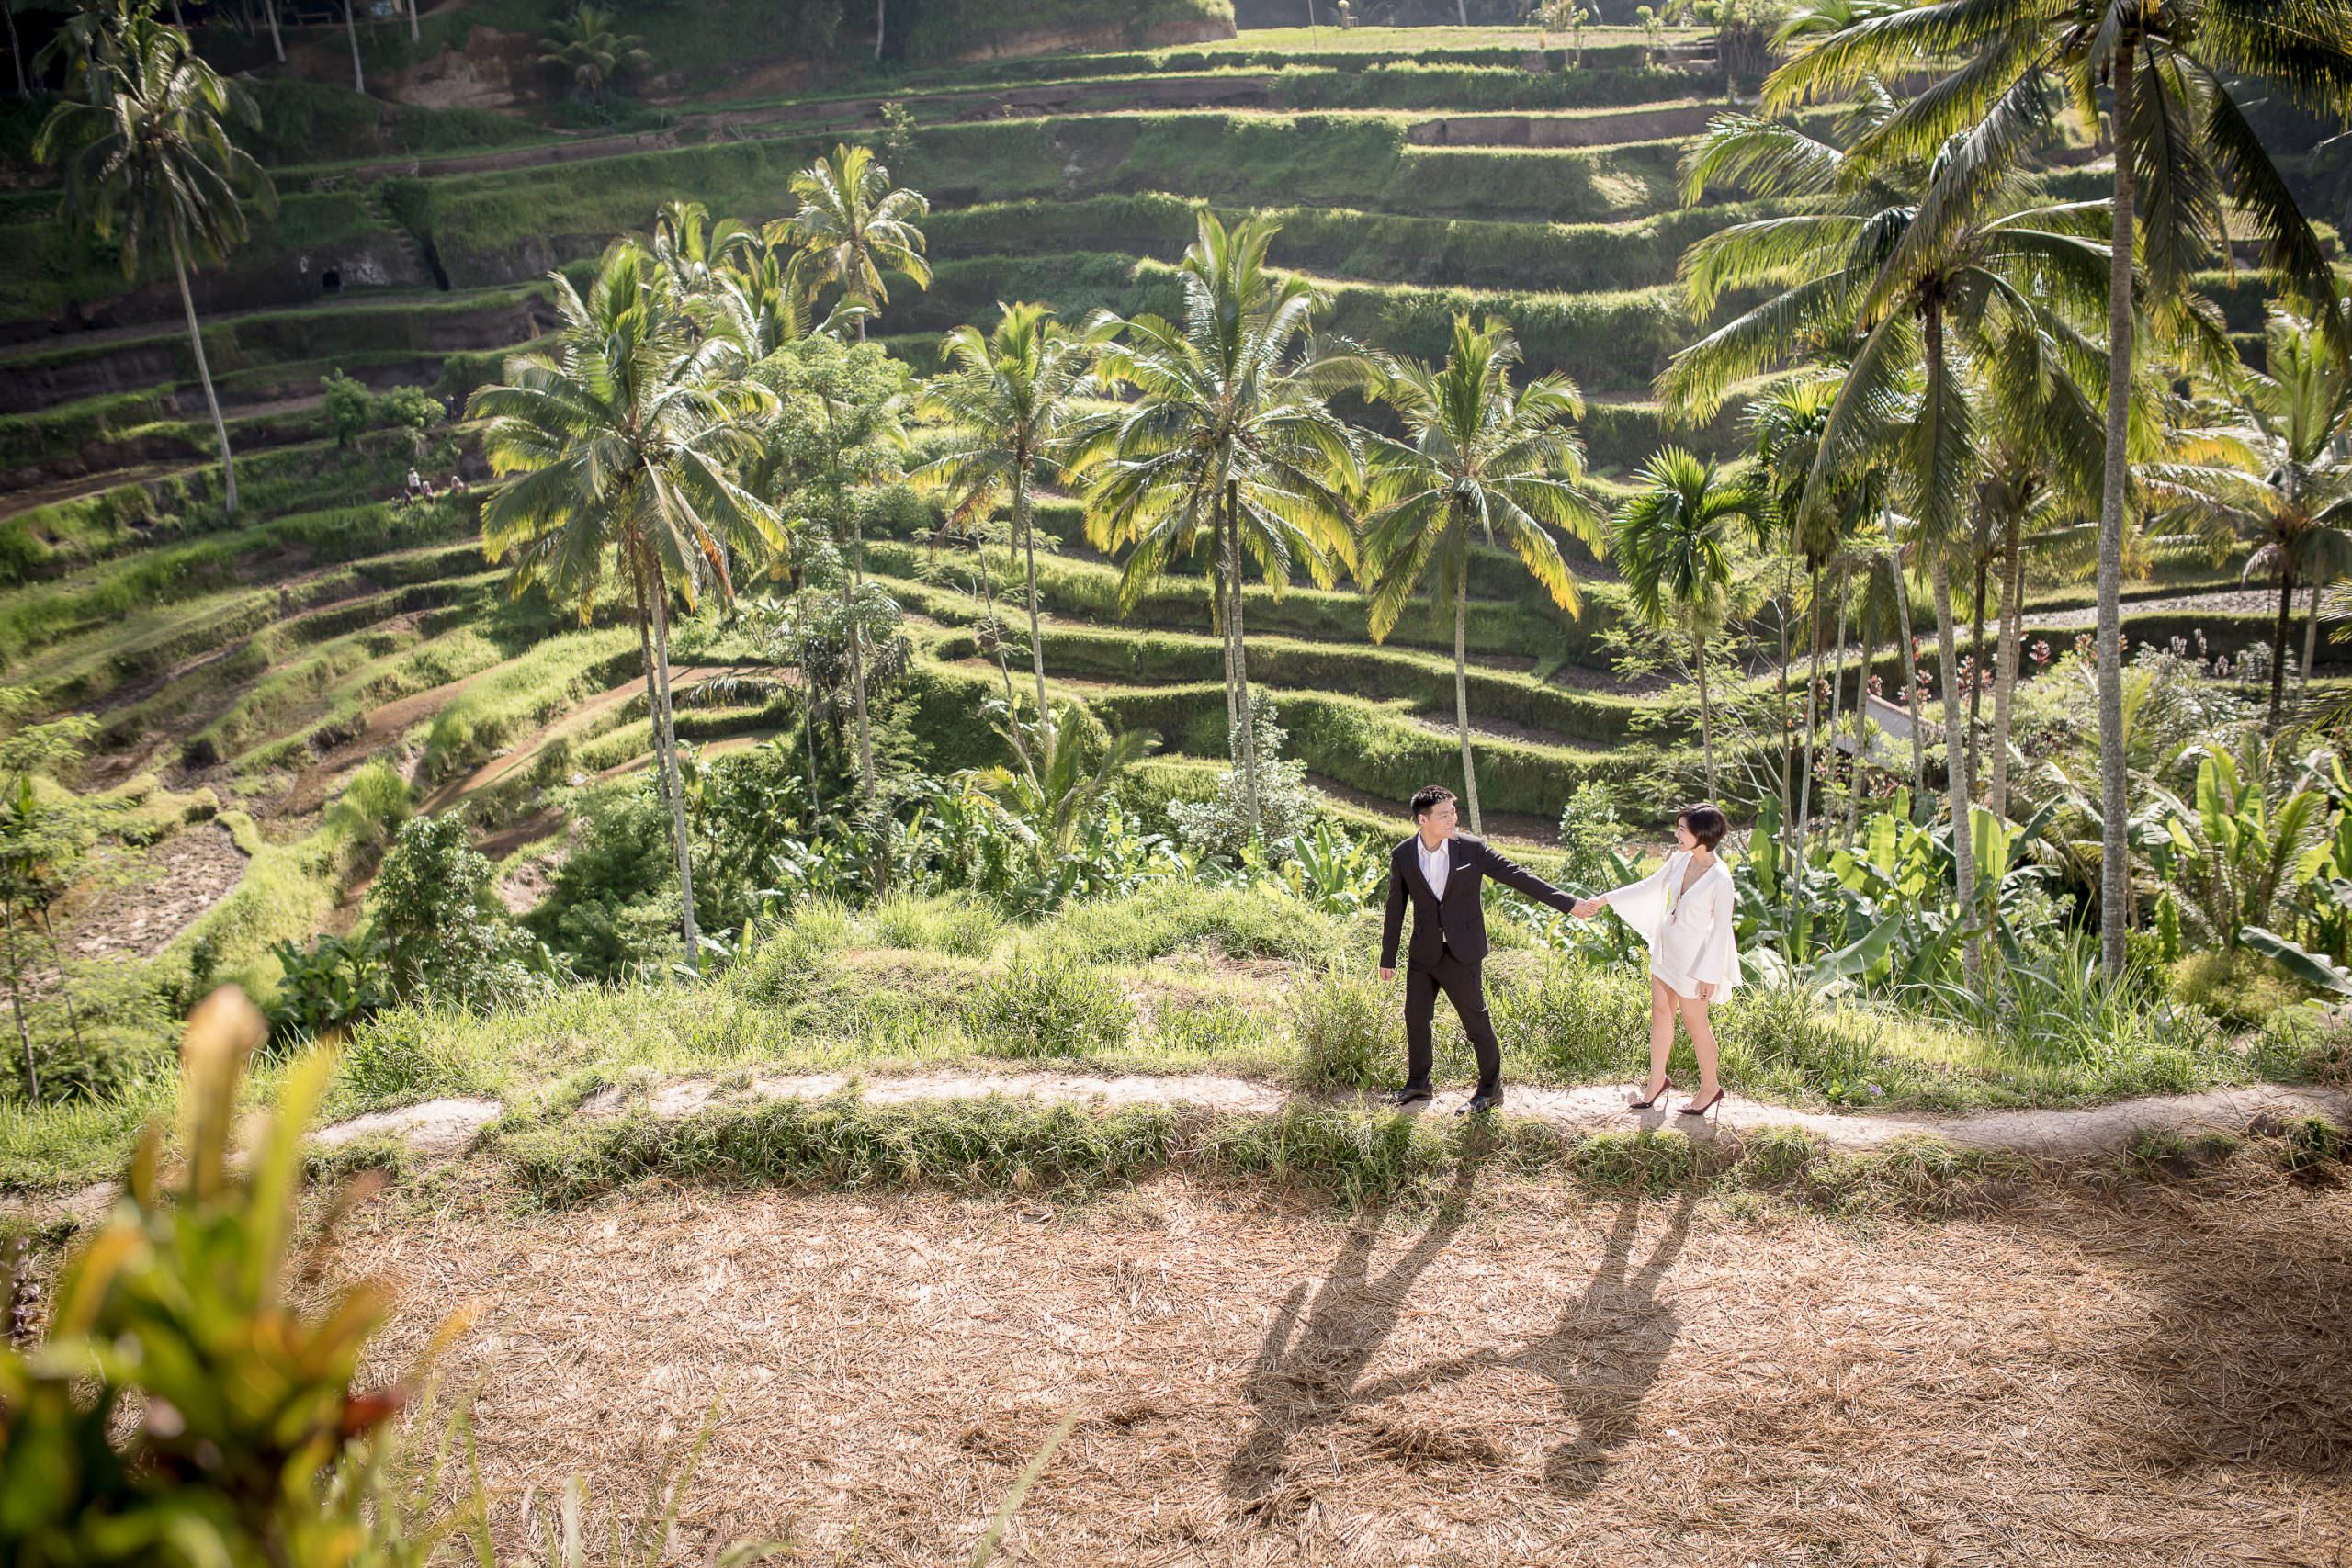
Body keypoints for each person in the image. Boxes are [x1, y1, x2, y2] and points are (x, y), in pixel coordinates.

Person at [1379, 784, 1582, 1115]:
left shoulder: (1471, 850)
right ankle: (1419, 1084)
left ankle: (1491, 1089)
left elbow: (1518, 876)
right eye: (1444, 814)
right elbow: (1395, 906)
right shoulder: (1403, 854)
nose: (1452, 819)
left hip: (1462, 953)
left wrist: (1569, 904)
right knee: (1415, 1018)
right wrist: (1388, 957)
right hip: (1423, 953)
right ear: (1422, 819)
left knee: (1476, 1023)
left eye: (1453, 812)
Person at [1573, 803, 1740, 1117]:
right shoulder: (1680, 858)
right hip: (1666, 950)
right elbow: (1650, 885)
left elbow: (1721, 929)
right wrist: (1606, 898)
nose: (1676, 835)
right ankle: (1656, 1082)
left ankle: (1710, 1087)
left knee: (1695, 1024)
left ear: (1702, 836)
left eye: (1682, 830)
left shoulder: (1721, 878)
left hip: (1695, 961)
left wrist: (1710, 974)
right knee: (1660, 1013)